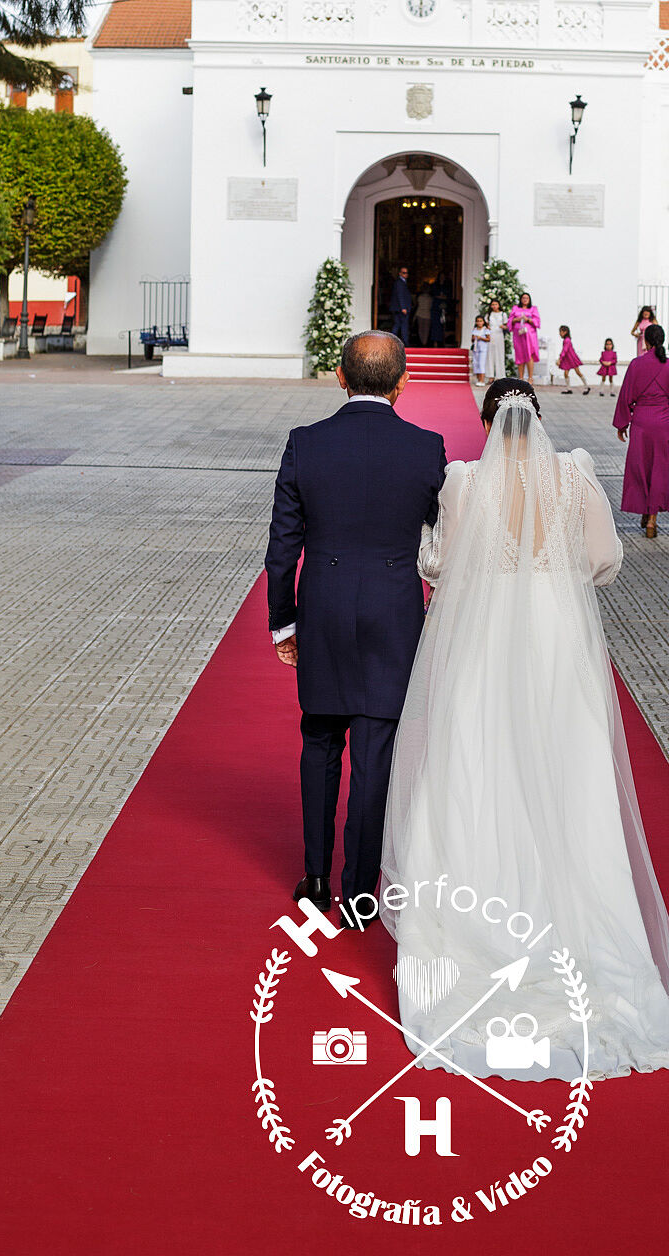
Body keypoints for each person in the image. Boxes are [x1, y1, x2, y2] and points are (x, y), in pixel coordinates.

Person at [381, 379, 669, 1081]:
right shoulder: (576, 473)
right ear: (540, 419)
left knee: (476, 762)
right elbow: (604, 562)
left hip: (484, 635)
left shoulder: (466, 482)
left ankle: (479, 922)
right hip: (556, 635)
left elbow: (438, 563)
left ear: (486, 421)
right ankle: (585, 929)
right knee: (570, 769)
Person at [265, 332, 446, 916]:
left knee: (319, 740)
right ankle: (361, 889)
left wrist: (282, 624)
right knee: (377, 748)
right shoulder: (427, 448)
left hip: (324, 608)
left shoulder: (305, 444)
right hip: (394, 610)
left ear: (339, 377)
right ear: (403, 382)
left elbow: (281, 550)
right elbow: (438, 540)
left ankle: (315, 877)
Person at [614, 323, 669, 539]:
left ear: (645, 341)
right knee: (659, 469)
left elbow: (626, 396)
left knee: (641, 468)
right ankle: (652, 519)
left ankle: (645, 511)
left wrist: (622, 424)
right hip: (664, 422)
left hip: (641, 423)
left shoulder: (637, 364)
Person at [509, 291, 540, 382]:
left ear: (529, 299)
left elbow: (537, 321)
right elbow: (510, 321)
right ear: (520, 299)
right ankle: (521, 378)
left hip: (530, 335)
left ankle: (530, 378)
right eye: (523, 298)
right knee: (519, 354)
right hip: (518, 335)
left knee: (529, 354)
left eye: (527, 298)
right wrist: (516, 319)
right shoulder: (515, 308)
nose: (525, 300)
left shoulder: (533, 309)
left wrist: (528, 320)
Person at [556, 323, 590, 394]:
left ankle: (587, 386)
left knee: (578, 372)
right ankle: (568, 388)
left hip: (571, 359)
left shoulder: (567, 340)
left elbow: (565, 350)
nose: (559, 333)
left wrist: (560, 358)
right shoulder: (566, 340)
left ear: (565, 332)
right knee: (566, 373)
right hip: (568, 359)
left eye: (560, 331)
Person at [486, 298, 508, 380]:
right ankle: (490, 376)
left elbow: (507, 326)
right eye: (492, 305)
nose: (494, 306)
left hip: (499, 335)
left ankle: (500, 376)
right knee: (490, 355)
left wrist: (503, 327)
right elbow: (486, 325)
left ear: (498, 305)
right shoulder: (488, 315)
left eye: (496, 304)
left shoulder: (503, 314)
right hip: (491, 336)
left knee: (500, 354)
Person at [389, 267, 411, 344]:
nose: (406, 274)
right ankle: (405, 342)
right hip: (401, 309)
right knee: (403, 325)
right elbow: (400, 296)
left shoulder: (402, 282)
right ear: (400, 273)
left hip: (399, 308)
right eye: (404, 273)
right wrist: (403, 307)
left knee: (397, 324)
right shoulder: (399, 283)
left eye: (407, 273)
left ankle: (392, 341)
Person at [470, 315, 491, 386]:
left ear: (483, 322)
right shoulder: (475, 329)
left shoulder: (485, 329)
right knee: (476, 364)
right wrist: (474, 338)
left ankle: (482, 380)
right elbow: (472, 339)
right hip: (476, 349)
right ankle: (478, 379)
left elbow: (488, 339)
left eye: (480, 321)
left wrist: (481, 338)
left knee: (481, 364)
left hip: (483, 349)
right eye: (478, 321)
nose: (479, 323)